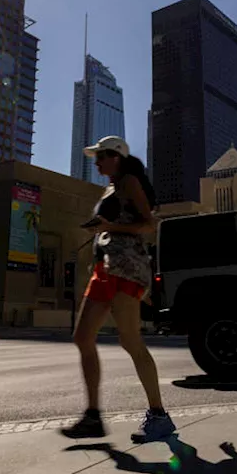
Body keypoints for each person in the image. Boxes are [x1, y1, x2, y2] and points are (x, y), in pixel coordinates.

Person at [60, 135, 176, 443]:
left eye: (101, 156)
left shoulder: (129, 181)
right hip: (106, 267)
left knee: (131, 342)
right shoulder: (110, 187)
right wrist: (99, 233)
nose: (96, 161)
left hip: (127, 268)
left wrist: (110, 227)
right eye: (96, 157)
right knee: (82, 337)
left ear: (117, 157)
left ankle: (159, 416)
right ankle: (93, 417)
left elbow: (149, 226)